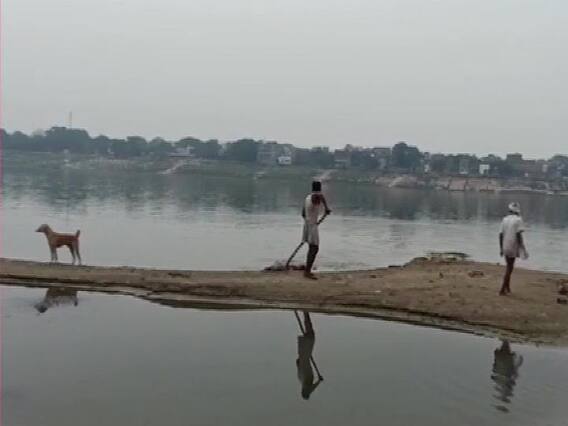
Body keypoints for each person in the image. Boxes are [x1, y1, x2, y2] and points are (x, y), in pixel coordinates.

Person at [301, 181, 331, 280]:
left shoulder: (307, 198)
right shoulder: (315, 197)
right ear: (320, 189)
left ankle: (307, 270)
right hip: (312, 225)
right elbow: (320, 197)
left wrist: (310, 218)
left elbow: (303, 214)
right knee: (314, 248)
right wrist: (326, 208)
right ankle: (307, 271)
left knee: (312, 248)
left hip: (307, 224)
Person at [499, 202, 528, 295]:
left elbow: (501, 234)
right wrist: (522, 246)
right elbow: (519, 234)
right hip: (513, 245)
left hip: (505, 245)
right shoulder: (518, 220)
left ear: (509, 210)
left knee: (508, 265)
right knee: (509, 267)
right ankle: (502, 289)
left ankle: (507, 288)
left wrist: (501, 248)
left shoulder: (504, 219)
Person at [296, 311, 323, 400]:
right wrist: (318, 381)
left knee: (310, 334)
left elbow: (311, 388)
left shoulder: (304, 380)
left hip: (305, 353)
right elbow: (297, 362)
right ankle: (305, 314)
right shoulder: (300, 378)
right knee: (310, 333)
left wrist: (319, 381)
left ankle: (306, 313)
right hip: (303, 352)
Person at [491, 340, 523, 412]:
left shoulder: (501, 384)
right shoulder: (501, 384)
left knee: (507, 367)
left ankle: (505, 343)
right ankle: (505, 343)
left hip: (503, 359)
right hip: (503, 360)